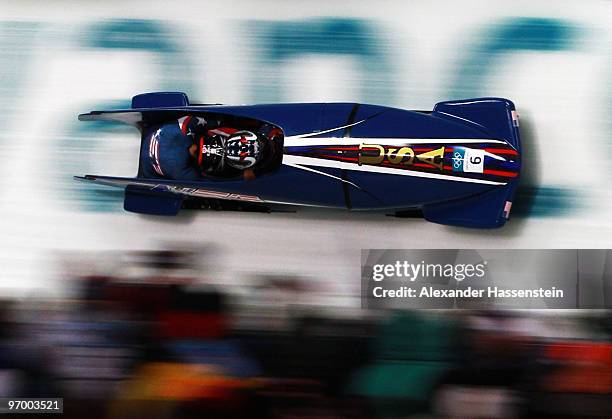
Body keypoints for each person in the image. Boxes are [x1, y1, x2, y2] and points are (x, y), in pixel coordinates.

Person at [140, 115, 267, 181]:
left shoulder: (185, 128)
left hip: (148, 134)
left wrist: (245, 175)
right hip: (147, 170)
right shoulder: (185, 173)